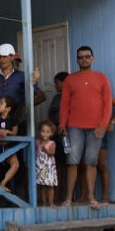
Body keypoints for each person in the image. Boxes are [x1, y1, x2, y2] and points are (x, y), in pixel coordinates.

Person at [58, 45, 112, 209]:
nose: (84, 59)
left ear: (92, 58)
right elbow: (65, 104)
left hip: (96, 128)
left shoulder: (102, 78)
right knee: (72, 161)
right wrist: (62, 124)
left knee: (91, 162)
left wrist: (103, 124)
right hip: (74, 126)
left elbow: (107, 104)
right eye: (81, 57)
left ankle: (90, 197)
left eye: (87, 56)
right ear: (77, 59)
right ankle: (68, 198)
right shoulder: (70, 80)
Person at [0, 43, 39, 132]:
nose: (1, 60)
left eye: (4, 57)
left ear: (12, 57)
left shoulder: (21, 76)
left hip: (16, 120)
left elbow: (30, 96)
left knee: (19, 144)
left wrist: (34, 82)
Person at [91, 94, 115, 204]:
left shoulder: (103, 94)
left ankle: (105, 197)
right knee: (84, 165)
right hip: (83, 131)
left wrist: (112, 122)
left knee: (101, 165)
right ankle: (85, 196)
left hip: (100, 132)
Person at [0, 95, 21, 201]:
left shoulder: (13, 119)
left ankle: (2, 183)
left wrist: (7, 132)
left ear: (8, 108)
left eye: (1, 103)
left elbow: (15, 132)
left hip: (8, 148)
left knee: (15, 164)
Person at [48, 71, 69, 199]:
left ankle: (64, 194)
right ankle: (56, 194)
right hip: (55, 134)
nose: (55, 86)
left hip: (66, 134)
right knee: (57, 165)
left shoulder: (71, 97)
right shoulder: (57, 98)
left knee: (67, 164)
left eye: (57, 83)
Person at [36, 120, 58, 206]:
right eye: (43, 131)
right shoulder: (38, 142)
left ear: (51, 133)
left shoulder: (51, 143)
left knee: (50, 186)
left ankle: (51, 202)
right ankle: (44, 202)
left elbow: (52, 153)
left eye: (47, 132)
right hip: (40, 167)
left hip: (48, 167)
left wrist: (46, 150)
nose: (45, 134)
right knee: (42, 185)